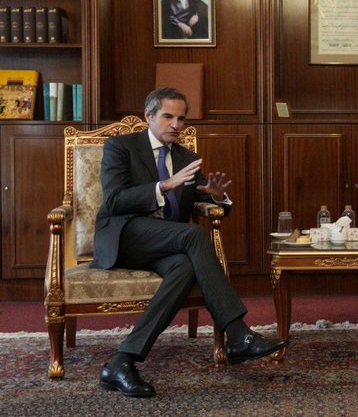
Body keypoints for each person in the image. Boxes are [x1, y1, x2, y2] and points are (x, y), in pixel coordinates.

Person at [93, 87, 287, 398]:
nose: (176, 125)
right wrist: (164, 185)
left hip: (167, 242)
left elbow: (210, 203)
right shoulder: (121, 146)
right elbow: (114, 200)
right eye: (167, 117)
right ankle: (238, 334)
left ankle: (121, 362)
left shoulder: (187, 157)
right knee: (193, 234)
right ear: (149, 116)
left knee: (184, 267)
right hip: (125, 237)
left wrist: (217, 196)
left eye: (181, 119)